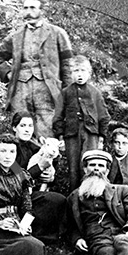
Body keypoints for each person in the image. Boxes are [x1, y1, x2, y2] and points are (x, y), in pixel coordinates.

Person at [0, 0, 74, 139]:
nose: (28, 12)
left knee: (47, 128)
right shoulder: (16, 35)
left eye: (33, 8)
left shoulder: (57, 33)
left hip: (47, 89)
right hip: (20, 90)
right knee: (21, 128)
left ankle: (46, 160)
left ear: (42, 11)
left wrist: (68, 92)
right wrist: (8, 73)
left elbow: (67, 65)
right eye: (25, 8)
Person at [53, 55, 110, 191]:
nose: (80, 74)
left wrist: (101, 137)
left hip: (91, 135)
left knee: (89, 164)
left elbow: (104, 116)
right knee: (73, 168)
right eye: (76, 71)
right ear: (71, 74)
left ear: (89, 73)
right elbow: (58, 116)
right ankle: (74, 198)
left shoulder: (95, 92)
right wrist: (60, 137)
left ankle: (90, 194)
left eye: (83, 70)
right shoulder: (65, 93)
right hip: (71, 135)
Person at [11, 111, 66, 242]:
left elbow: (49, 171)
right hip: (13, 192)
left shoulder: (36, 148)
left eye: (30, 126)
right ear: (14, 127)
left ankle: (50, 235)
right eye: (22, 125)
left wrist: (50, 178)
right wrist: (38, 168)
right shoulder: (9, 147)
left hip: (32, 190)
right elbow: (15, 177)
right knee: (54, 199)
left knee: (59, 199)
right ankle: (35, 233)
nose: (27, 130)